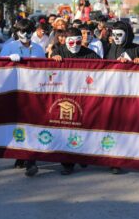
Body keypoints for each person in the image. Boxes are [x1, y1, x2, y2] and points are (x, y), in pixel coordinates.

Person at [103, 20, 139, 174]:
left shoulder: (138, 49)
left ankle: (125, 158)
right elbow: (101, 68)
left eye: (120, 35)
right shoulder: (109, 49)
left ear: (127, 35)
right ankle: (112, 160)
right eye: (114, 34)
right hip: (112, 96)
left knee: (127, 128)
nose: (116, 38)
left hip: (131, 98)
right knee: (112, 128)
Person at [0, 19, 45, 177]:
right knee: (17, 126)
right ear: (17, 32)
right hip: (16, 93)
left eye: (29, 31)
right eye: (22, 31)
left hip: (34, 93)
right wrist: (7, 60)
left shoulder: (39, 49)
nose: (26, 35)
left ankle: (31, 161)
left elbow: (45, 70)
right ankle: (20, 155)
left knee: (32, 126)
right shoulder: (9, 47)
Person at [51, 27, 100, 175]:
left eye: (78, 42)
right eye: (71, 42)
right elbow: (46, 71)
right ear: (65, 41)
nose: (75, 45)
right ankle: (67, 164)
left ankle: (83, 157)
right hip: (65, 98)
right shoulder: (58, 51)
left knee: (84, 128)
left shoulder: (90, 54)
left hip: (85, 98)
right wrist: (52, 60)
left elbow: (106, 69)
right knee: (66, 129)